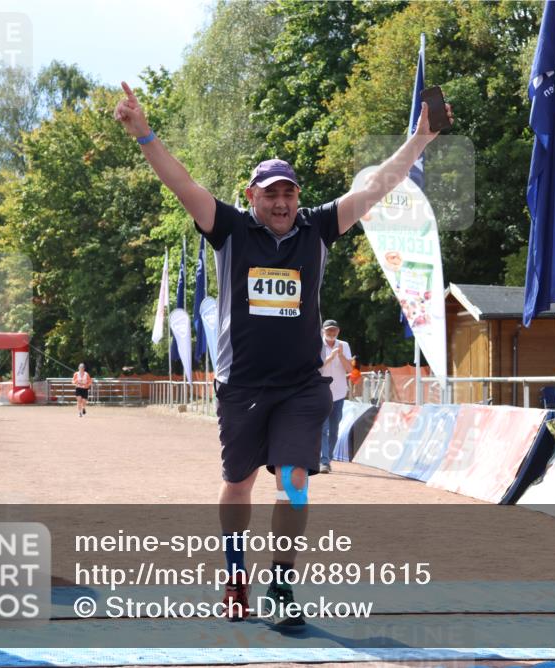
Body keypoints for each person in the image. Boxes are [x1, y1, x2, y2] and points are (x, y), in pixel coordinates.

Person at [114, 79, 451, 630]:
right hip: (242, 385)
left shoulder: (317, 227)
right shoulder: (228, 229)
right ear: (252, 197)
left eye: (288, 192)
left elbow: (376, 189)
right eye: (270, 193)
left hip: (300, 385)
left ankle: (282, 583)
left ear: (298, 196)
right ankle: (234, 575)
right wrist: (145, 133)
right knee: (239, 482)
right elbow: (182, 185)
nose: (281, 202)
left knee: (294, 479)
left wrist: (420, 139)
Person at [318, 320, 353, 474]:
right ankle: (324, 461)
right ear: (323, 331)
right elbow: (315, 367)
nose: (331, 333)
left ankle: (328, 458)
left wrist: (341, 355)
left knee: (334, 429)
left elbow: (349, 369)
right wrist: (330, 358)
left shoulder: (343, 345)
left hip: (339, 393)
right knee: (322, 428)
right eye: (328, 330)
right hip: (321, 392)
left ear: (338, 331)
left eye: (334, 330)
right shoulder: (317, 344)